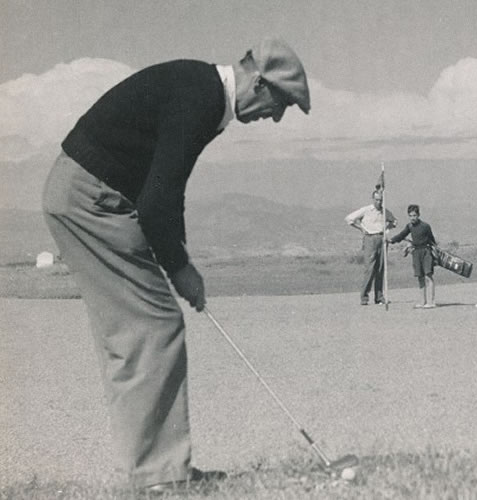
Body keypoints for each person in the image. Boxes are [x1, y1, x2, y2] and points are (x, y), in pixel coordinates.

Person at [41, 37, 310, 494]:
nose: (276, 115)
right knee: (151, 324)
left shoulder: (201, 91)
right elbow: (157, 202)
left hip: (90, 194)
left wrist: (178, 259)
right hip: (91, 199)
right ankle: (160, 478)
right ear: (257, 80)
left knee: (141, 326)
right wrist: (181, 268)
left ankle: (157, 472)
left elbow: (167, 189)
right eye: (279, 102)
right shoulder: (200, 96)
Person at [345, 190, 397, 305]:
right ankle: (364, 297)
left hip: (382, 239)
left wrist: (387, 228)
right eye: (377, 199)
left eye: (380, 200)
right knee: (370, 269)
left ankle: (379, 297)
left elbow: (394, 221)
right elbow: (349, 219)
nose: (379, 202)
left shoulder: (384, 211)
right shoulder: (366, 210)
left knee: (380, 268)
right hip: (370, 239)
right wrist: (361, 228)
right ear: (373, 199)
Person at [388, 204, 438, 308]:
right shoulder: (409, 226)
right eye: (410, 215)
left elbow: (432, 241)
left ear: (418, 215)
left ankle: (431, 301)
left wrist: (435, 253)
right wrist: (391, 240)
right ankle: (422, 301)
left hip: (426, 252)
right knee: (420, 277)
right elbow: (402, 235)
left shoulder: (425, 226)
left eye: (414, 215)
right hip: (416, 253)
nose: (412, 218)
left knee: (428, 275)